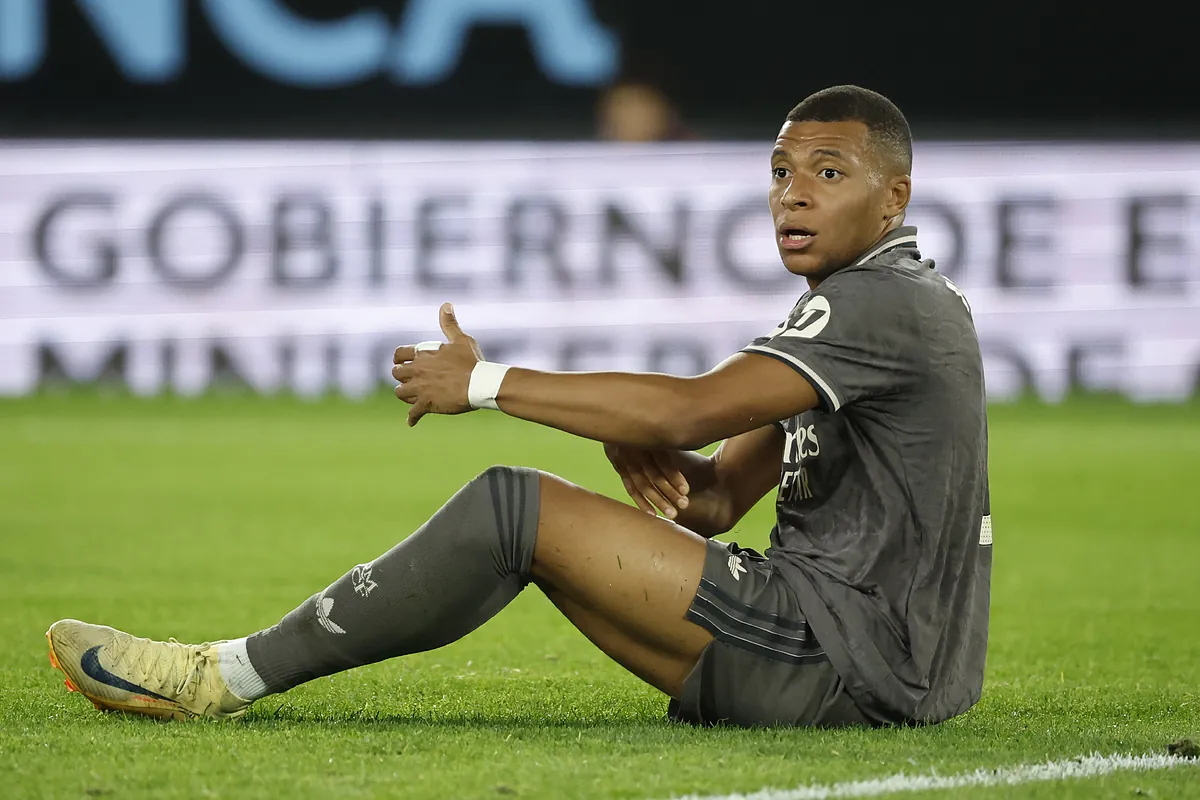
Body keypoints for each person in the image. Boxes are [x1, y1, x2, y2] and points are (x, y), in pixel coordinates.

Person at [46, 85, 992, 728]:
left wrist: (486, 383)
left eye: (829, 172)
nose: (795, 195)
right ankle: (227, 670)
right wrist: (643, 452)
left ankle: (217, 677)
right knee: (521, 523)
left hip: (850, 653)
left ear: (894, 198)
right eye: (781, 172)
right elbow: (710, 501)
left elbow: (691, 409)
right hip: (862, 653)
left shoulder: (880, 302)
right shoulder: (868, 305)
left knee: (513, 506)